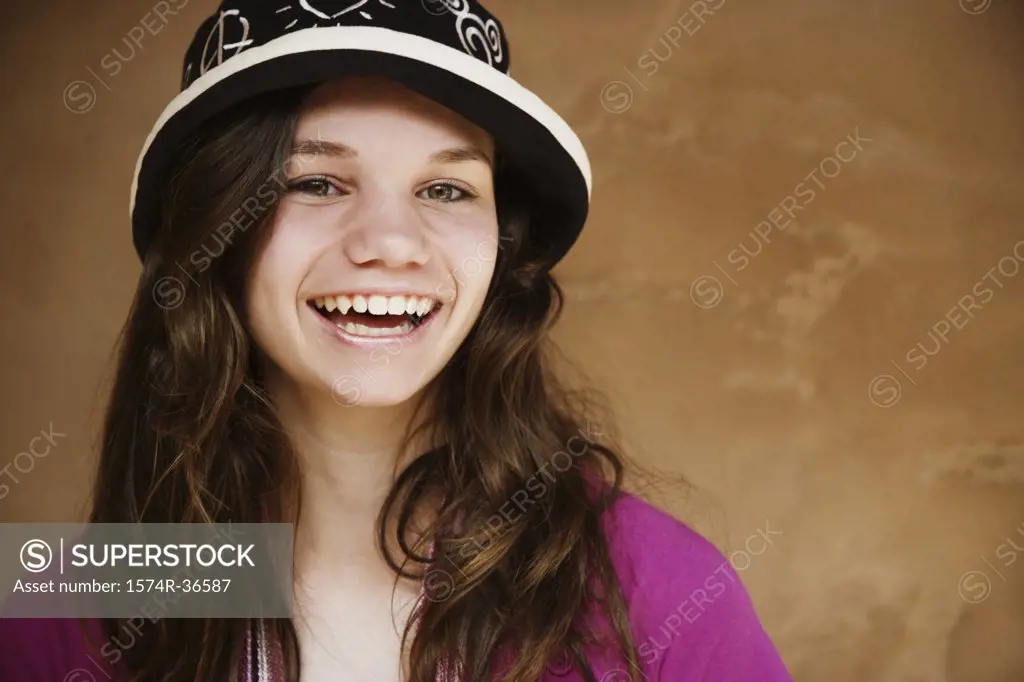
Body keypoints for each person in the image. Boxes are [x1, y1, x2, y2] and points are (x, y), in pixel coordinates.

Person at [0, 1, 793, 680]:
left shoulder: (658, 589)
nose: (391, 241)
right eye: (315, 182)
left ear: (501, 248)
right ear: (216, 231)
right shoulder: (86, 597)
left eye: (446, 188)